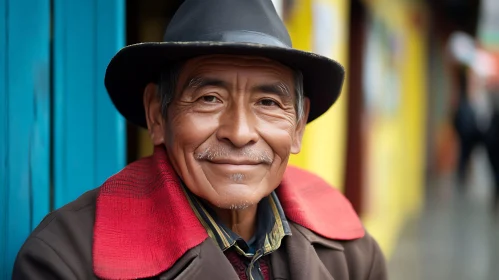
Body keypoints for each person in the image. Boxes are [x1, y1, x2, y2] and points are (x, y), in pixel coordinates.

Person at [12, 0, 387, 279]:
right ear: (158, 114)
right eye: (209, 98)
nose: (240, 133)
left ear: (298, 125)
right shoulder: (67, 258)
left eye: (268, 102)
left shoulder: (351, 250)